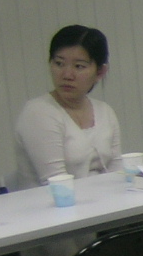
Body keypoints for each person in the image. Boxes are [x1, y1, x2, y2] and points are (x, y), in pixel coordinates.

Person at [11, 25, 121, 190]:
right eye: (59, 63)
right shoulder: (39, 112)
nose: (67, 75)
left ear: (100, 72)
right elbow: (58, 185)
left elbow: (118, 173)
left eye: (79, 66)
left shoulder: (105, 112)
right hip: (52, 203)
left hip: (103, 200)